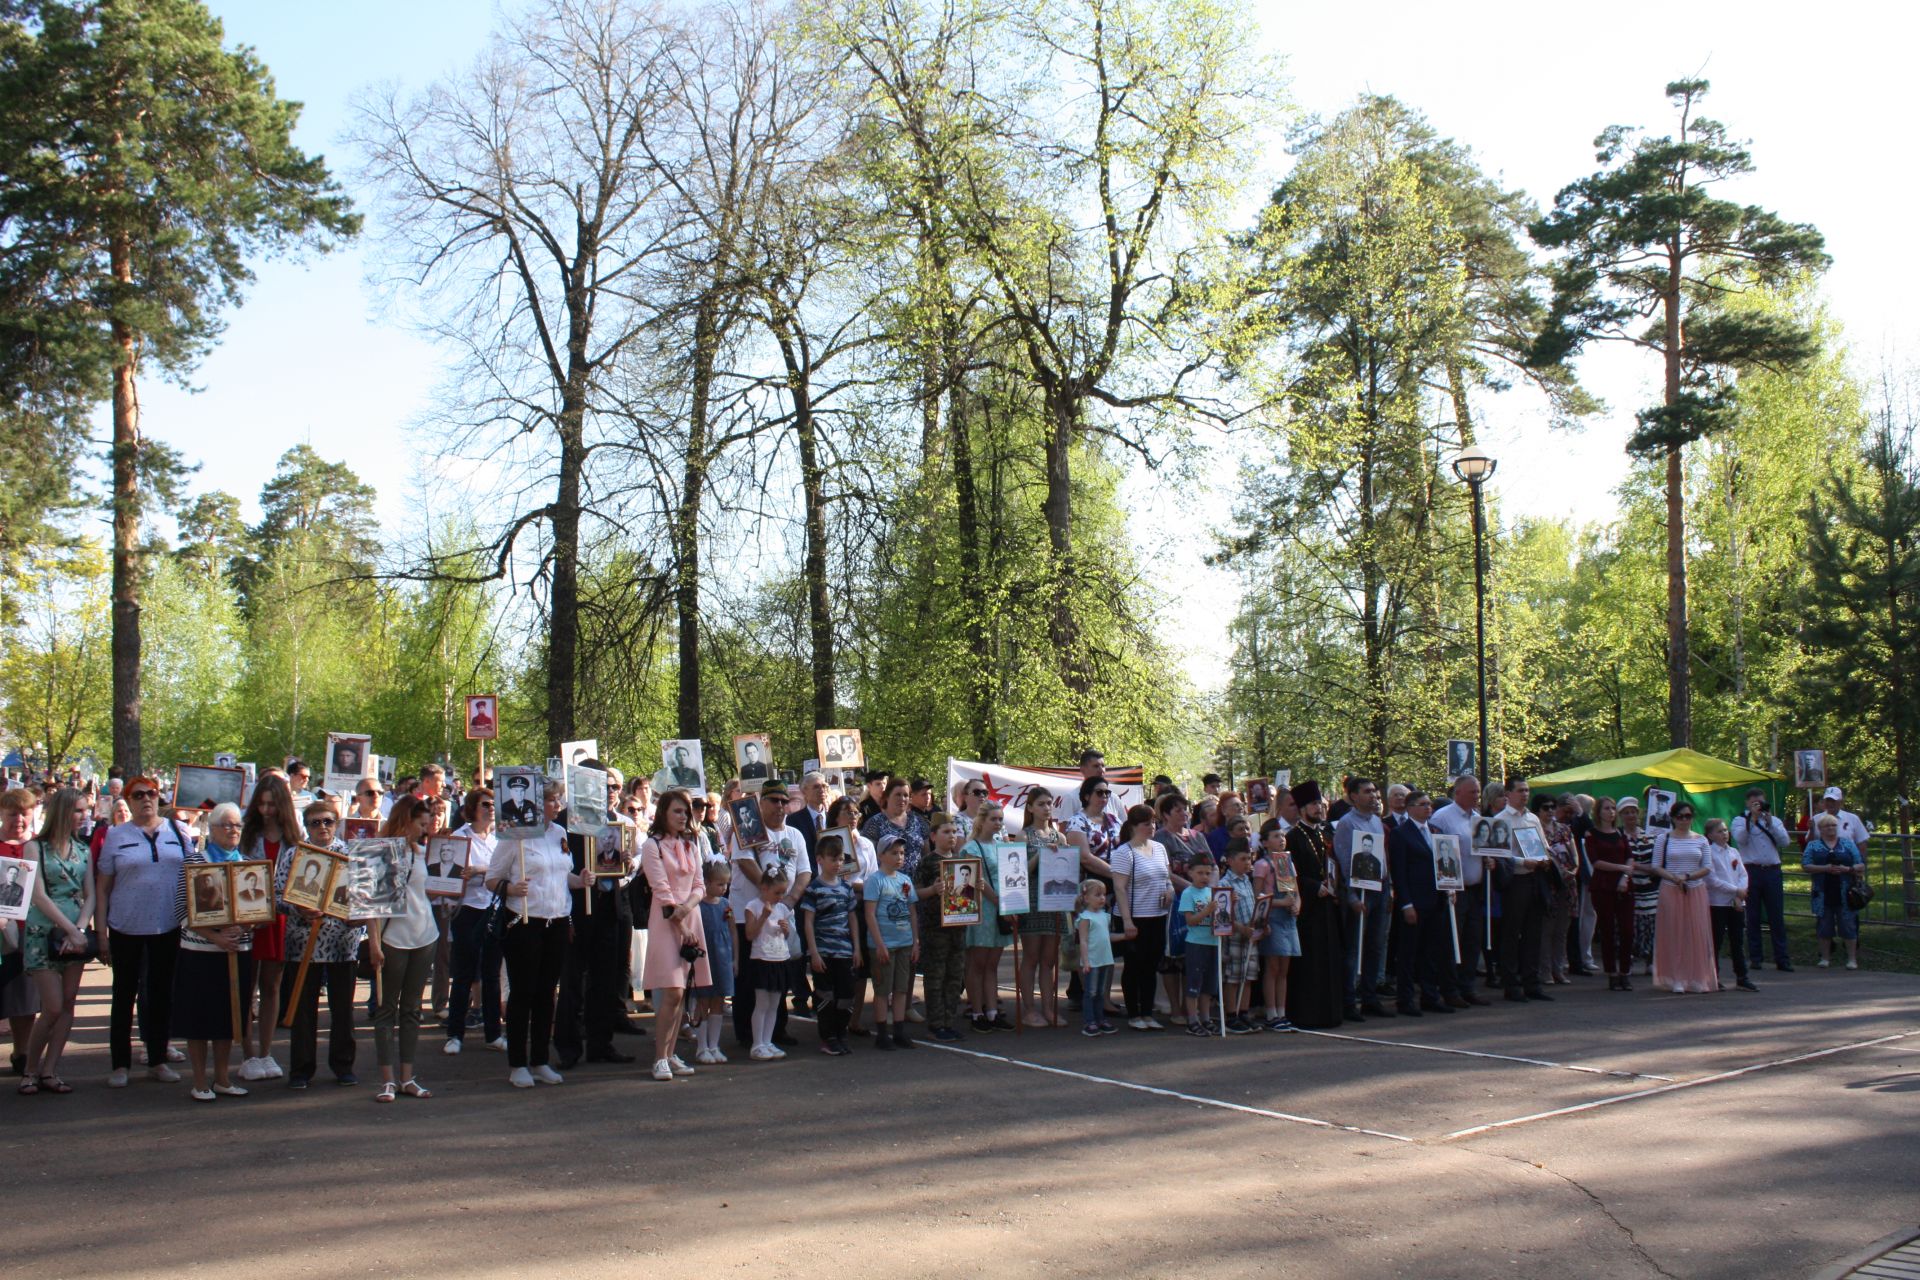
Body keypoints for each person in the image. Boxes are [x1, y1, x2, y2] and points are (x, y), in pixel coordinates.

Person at [95, 775, 195, 1086]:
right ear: (128, 800)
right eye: (138, 795)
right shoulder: (116, 835)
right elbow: (103, 887)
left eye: (151, 793)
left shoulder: (177, 832)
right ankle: (120, 1064)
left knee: (162, 993)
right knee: (124, 994)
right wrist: (101, 933)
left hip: (167, 924)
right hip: (126, 924)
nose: (146, 800)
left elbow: (195, 874)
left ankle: (158, 1059)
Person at [488, 778, 575, 1088]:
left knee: (546, 993)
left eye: (559, 800)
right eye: (552, 800)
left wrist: (583, 880)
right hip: (525, 922)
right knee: (523, 992)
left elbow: (564, 875)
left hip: (557, 920)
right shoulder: (515, 837)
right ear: (539, 804)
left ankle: (540, 1059)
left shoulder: (560, 834)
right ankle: (517, 1063)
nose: (558, 805)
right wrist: (511, 887)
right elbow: (492, 878)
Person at [276, 796, 366, 1088]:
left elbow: (366, 899)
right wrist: (296, 908)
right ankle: (301, 1069)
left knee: (342, 1009)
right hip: (302, 942)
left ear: (337, 824)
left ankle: (343, 1066)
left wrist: (358, 918)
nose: (323, 828)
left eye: (328, 821)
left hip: (342, 943)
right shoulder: (293, 855)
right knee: (303, 1010)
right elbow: (277, 896)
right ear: (307, 826)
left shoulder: (352, 856)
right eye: (316, 823)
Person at [556, 758, 637, 1071]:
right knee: (573, 980)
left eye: (607, 786)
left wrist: (624, 863)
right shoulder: (563, 820)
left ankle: (601, 1043)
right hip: (576, 907)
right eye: (597, 785)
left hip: (607, 905)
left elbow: (615, 863)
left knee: (605, 979)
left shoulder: (611, 819)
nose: (604, 792)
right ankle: (568, 1045)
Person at [173, 808, 254, 1102]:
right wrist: (216, 937)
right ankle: (199, 1080)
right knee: (199, 1018)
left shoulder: (248, 865)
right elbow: (182, 909)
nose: (233, 830)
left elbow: (259, 907)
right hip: (200, 951)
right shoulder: (195, 862)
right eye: (226, 825)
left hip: (237, 951)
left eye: (237, 825)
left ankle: (222, 1077)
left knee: (228, 1017)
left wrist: (246, 925)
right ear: (213, 828)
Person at [18, 787, 95, 1094]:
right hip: (43, 932)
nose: (83, 816)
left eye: (85, 810)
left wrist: (79, 928)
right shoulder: (34, 848)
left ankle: (51, 1070)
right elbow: (37, 894)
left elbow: (89, 893)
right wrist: (70, 929)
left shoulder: (84, 850)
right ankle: (30, 1068)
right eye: (78, 810)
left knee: (67, 1003)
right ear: (63, 811)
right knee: (51, 1006)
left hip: (74, 932)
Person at [368, 796, 438, 1102]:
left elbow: (425, 890)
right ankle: (387, 1080)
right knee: (387, 1008)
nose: (425, 829)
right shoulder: (382, 852)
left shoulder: (421, 852)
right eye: (421, 823)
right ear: (405, 820)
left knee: (412, 1009)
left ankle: (408, 1077)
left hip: (425, 935)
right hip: (393, 938)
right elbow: (369, 900)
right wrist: (373, 943)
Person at [640, 789, 709, 1081]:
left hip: (688, 915)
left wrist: (687, 910)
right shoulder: (652, 845)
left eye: (686, 811)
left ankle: (670, 1054)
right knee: (672, 990)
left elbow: (700, 885)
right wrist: (679, 920)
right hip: (667, 919)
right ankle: (659, 1057)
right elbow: (660, 888)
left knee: (683, 992)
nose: (683, 816)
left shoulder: (691, 844)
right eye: (677, 811)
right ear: (663, 814)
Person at [235, 772, 297, 1083]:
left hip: (281, 919)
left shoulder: (293, 838)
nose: (267, 810)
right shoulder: (247, 835)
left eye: (272, 804)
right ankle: (247, 1052)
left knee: (273, 986)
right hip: (251, 917)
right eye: (262, 804)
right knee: (247, 988)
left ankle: (266, 1050)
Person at [442, 789, 504, 1055]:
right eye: (484, 804)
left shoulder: (500, 838)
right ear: (472, 808)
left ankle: (493, 1033)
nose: (490, 809)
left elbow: (506, 869)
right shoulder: (459, 837)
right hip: (467, 909)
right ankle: (455, 1033)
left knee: (491, 974)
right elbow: (452, 873)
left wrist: (481, 870)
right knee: (464, 974)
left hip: (494, 909)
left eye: (493, 804)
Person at [1387, 790, 1461, 1015]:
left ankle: (1430, 995)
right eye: (1422, 804)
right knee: (1409, 953)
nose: (1428, 808)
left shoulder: (1436, 832)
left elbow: (1445, 865)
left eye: (1429, 804)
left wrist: (1451, 886)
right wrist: (1406, 904)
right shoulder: (1401, 833)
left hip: (1436, 900)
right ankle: (1405, 999)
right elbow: (1399, 872)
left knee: (1430, 952)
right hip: (1415, 901)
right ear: (1410, 808)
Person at [1284, 782, 1348, 1028]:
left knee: (1330, 959)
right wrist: (1313, 887)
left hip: (1327, 906)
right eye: (1313, 804)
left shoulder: (1324, 834)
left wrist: (1334, 884)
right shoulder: (1292, 838)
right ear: (1302, 809)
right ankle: (1308, 1014)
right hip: (1307, 909)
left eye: (1320, 804)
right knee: (1310, 962)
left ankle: (1331, 1012)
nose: (1318, 808)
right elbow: (1291, 874)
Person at [1427, 776, 1491, 1005]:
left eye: (1477, 792)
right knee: (1453, 940)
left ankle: (1468, 986)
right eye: (1472, 792)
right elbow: (1436, 851)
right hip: (1454, 890)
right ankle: (1449, 989)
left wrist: (1489, 860)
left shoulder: (1478, 819)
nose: (1477, 796)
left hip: (1476, 888)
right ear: (1459, 793)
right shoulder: (1442, 818)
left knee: (1473, 940)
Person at [1108, 802, 1170, 1031]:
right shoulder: (1124, 852)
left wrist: (1170, 891)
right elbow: (1120, 888)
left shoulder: (1160, 848)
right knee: (1134, 964)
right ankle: (1133, 1012)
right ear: (1134, 826)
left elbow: (1166, 877)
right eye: (1147, 823)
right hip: (1135, 915)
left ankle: (1147, 1011)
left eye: (1154, 822)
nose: (1152, 827)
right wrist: (1126, 921)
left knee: (1151, 964)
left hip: (1157, 914)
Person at [1333, 777, 1392, 1018]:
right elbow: (1345, 860)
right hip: (1361, 890)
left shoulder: (1377, 822)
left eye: (1375, 792)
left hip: (1380, 886)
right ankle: (1349, 999)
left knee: (1375, 946)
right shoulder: (1347, 824)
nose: (1373, 796)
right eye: (1367, 792)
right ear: (1353, 796)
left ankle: (1370, 996)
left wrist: (1390, 887)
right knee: (1355, 947)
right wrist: (1353, 896)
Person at [1649, 802, 1717, 994]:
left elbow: (1707, 866)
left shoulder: (1701, 840)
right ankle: (1676, 976)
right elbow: (1656, 866)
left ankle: (1696, 976)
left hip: (1694, 889)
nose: (1684, 820)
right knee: (1674, 932)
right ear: (1673, 818)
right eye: (1680, 816)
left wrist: (1687, 877)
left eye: (1688, 816)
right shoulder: (1664, 839)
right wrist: (1674, 877)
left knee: (1695, 932)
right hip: (1671, 889)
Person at [1493, 778, 1551, 1002]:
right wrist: (1521, 862)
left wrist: (1545, 859)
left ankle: (1532, 983)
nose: (1525, 794)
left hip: (1535, 878)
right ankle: (1511, 984)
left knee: (1533, 933)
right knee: (1511, 933)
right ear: (1508, 793)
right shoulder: (1500, 819)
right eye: (1520, 790)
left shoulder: (1532, 817)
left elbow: (1543, 845)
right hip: (1515, 880)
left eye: (1527, 790)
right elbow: (1499, 851)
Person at [802, 839, 862, 1056]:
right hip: (823, 951)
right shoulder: (814, 888)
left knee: (846, 994)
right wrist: (814, 952)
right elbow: (808, 921)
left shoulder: (846, 888)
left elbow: (852, 918)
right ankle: (827, 1037)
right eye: (832, 859)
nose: (837, 863)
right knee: (826, 995)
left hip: (844, 951)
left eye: (840, 859)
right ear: (820, 860)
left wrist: (857, 948)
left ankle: (841, 1032)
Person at [911, 814, 968, 1041]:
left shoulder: (961, 862)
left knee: (955, 976)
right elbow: (915, 892)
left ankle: (948, 1020)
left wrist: (975, 888)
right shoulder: (927, 862)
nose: (952, 836)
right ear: (933, 836)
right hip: (935, 929)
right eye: (946, 832)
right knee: (936, 976)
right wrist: (932, 891)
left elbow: (967, 896)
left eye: (954, 832)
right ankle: (936, 1023)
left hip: (958, 927)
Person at [1017, 789, 1070, 1029]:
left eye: (1049, 803)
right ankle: (1029, 1009)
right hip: (1031, 901)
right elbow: (1019, 873)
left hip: (1054, 901)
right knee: (1031, 957)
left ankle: (1049, 1008)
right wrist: (1040, 856)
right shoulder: (1024, 836)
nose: (1047, 808)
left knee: (1049, 960)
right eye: (1041, 804)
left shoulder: (1059, 836)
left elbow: (1068, 869)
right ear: (1030, 808)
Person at [864, 834, 919, 1049]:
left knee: (901, 989)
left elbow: (912, 911)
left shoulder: (905, 881)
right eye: (894, 853)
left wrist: (915, 941)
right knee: (882, 989)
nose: (899, 857)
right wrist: (879, 944)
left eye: (902, 853)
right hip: (884, 944)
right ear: (881, 855)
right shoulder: (875, 880)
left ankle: (898, 1030)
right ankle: (882, 1033)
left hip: (904, 942)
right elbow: (870, 914)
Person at [959, 801, 1011, 1033]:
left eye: (1000, 819)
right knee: (977, 963)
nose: (998, 823)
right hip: (981, 909)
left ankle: (992, 1011)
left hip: (1001, 908)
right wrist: (998, 901)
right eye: (994, 819)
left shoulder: (1002, 845)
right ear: (981, 821)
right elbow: (974, 881)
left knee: (992, 964)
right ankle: (977, 1011)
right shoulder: (971, 848)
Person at [1733, 789, 1793, 972]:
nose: (1758, 806)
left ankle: (1782, 958)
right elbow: (1740, 839)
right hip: (1751, 871)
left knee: (1776, 916)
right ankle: (1756, 957)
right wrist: (1752, 819)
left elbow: (1785, 842)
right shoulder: (1739, 821)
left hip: (1772, 871)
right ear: (1747, 804)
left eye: (1760, 802)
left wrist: (1770, 823)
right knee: (1753, 916)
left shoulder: (1773, 820)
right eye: (1754, 803)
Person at [1583, 797, 1637, 992]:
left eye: (1613, 809)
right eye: (1607, 808)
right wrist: (1620, 867)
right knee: (1607, 930)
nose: (1611, 812)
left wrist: (1624, 875)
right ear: (1599, 812)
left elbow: (1630, 856)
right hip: (1603, 886)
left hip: (1624, 885)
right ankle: (1612, 973)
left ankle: (1625, 972)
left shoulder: (1620, 833)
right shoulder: (1592, 834)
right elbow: (1595, 861)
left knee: (1627, 930)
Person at [1252, 819, 1301, 1031]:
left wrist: (1297, 905)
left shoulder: (1287, 862)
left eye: (1282, 836)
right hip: (1273, 917)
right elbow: (1258, 896)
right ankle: (1271, 1012)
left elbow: (1296, 891)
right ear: (1265, 842)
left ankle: (1282, 1011)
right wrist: (1281, 902)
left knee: (1284, 968)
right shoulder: (1262, 865)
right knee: (1272, 967)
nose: (1281, 840)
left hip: (1288, 918)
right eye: (1275, 836)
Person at [1802, 814, 1866, 970]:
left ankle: (1851, 959)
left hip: (1845, 892)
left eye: (1833, 825)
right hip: (1823, 892)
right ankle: (1825, 957)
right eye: (1827, 826)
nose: (1831, 829)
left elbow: (1860, 865)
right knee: (1824, 925)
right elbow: (1805, 865)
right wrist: (1825, 869)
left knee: (1848, 925)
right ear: (1820, 829)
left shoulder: (1847, 844)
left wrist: (1847, 869)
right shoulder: (1814, 846)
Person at [743, 868, 794, 1059]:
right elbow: (750, 934)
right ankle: (757, 1044)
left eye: (783, 893)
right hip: (762, 959)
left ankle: (767, 1041)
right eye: (777, 893)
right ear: (764, 888)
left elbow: (786, 935)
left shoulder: (782, 908)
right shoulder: (753, 906)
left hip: (780, 957)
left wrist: (786, 929)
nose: (780, 897)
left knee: (775, 1004)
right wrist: (764, 915)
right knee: (762, 1004)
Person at [688, 862, 735, 1064]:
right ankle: (702, 1047)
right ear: (706, 882)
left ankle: (714, 1045)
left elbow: (732, 931)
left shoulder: (726, 905)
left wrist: (735, 958)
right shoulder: (697, 906)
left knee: (718, 1001)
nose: (723, 888)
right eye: (719, 884)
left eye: (726, 884)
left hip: (722, 958)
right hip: (704, 959)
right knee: (703, 1002)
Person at [1703, 819, 1757, 992]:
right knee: (1716, 940)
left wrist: (1739, 893)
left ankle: (1742, 976)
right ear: (1710, 835)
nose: (1724, 833)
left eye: (1725, 830)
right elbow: (1712, 880)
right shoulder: (1709, 853)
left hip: (1736, 902)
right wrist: (1735, 891)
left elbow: (1743, 873)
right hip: (1717, 902)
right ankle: (1713, 976)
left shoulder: (1733, 851)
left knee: (1738, 940)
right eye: (1719, 831)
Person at [1218, 840, 1260, 1033]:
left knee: (1248, 976)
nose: (1247, 862)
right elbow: (1222, 917)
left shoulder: (1246, 880)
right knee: (1233, 977)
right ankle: (1231, 1014)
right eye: (1243, 859)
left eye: (1249, 858)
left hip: (1249, 935)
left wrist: (1258, 926)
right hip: (1234, 936)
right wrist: (1240, 928)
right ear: (1231, 861)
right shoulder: (1224, 883)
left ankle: (1244, 1012)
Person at [1177, 855, 1220, 1036]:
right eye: (1200, 873)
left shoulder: (1212, 892)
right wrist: (1207, 911)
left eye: (1208, 873)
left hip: (1212, 942)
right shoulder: (1188, 893)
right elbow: (1191, 921)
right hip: (1196, 943)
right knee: (1194, 983)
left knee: (1209, 984)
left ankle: (1206, 1018)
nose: (1204, 877)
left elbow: (1220, 918)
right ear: (1191, 873)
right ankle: (1192, 1020)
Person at [1538, 794, 1579, 986]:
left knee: (1563, 929)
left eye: (1553, 807)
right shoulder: (1536, 831)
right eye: (1545, 808)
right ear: (1538, 810)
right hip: (1549, 883)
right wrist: (1558, 872)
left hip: (1568, 883)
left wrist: (1574, 869)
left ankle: (1559, 969)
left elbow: (1574, 852)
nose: (1550, 811)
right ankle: (1545, 971)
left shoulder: (1564, 829)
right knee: (1547, 930)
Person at [1072, 879, 1118, 1037]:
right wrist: (1085, 961)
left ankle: (1100, 1019)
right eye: (1097, 895)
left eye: (1104, 895)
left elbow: (1106, 937)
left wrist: (1124, 936)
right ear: (1086, 898)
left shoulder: (1105, 916)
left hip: (1105, 959)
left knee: (1100, 992)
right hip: (1092, 961)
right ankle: (1089, 1021)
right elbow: (1083, 940)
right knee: (1090, 992)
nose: (1102, 898)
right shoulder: (1085, 918)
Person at [1620, 796, 1659, 977]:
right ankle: (1627, 959)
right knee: (1630, 925)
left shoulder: (1650, 836)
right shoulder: (1619, 837)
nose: (1631, 816)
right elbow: (1624, 862)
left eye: (1633, 812)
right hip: (1629, 887)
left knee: (1651, 924)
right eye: (1626, 813)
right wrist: (1641, 867)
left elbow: (1657, 864)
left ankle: (1650, 960)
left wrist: (1640, 866)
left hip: (1650, 887)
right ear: (1621, 816)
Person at [861, 779, 930, 878]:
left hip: (918, 885)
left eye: (905, 795)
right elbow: (868, 858)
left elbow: (926, 854)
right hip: (888, 884)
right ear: (887, 797)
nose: (902, 798)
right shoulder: (875, 823)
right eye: (898, 794)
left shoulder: (918, 820)